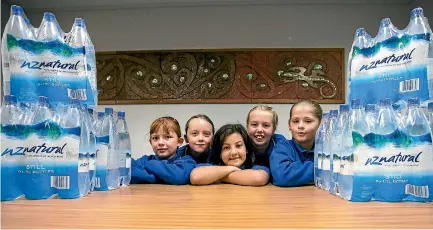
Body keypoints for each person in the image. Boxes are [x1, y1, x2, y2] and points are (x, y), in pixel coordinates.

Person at [190, 124, 270, 186]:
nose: (234, 152)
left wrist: (216, 176)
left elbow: (258, 178)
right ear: (220, 153)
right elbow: (195, 176)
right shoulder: (211, 166)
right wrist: (230, 169)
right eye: (227, 147)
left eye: (238, 146)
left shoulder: (254, 167)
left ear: (247, 149)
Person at [270, 100, 322, 187]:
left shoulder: (327, 148)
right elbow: (282, 176)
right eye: (295, 121)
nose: (300, 126)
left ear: (320, 124)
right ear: (289, 125)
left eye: (308, 121)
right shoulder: (283, 147)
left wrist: (297, 175)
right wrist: (324, 169)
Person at [131, 116, 194, 185]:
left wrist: (150, 164)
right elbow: (126, 171)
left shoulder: (187, 160)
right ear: (150, 142)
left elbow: (179, 177)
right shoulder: (145, 159)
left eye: (167, 137)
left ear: (179, 141)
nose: (160, 142)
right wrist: (162, 177)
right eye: (155, 138)